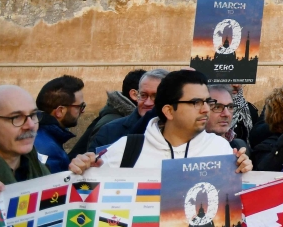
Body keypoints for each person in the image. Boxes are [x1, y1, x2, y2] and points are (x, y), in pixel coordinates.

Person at [69, 69, 252, 173]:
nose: (205, 109)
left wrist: (244, 172)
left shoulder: (221, 150)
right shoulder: (126, 149)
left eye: (207, 101)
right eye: (196, 102)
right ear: (169, 111)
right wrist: (82, 169)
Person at [70, 69, 144, 157]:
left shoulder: (120, 116)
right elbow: (96, 160)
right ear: (134, 94)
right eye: (145, 95)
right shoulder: (110, 123)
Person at [91, 69, 167, 151]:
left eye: (155, 96)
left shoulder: (180, 132)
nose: (148, 103)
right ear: (136, 95)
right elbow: (93, 162)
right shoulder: (109, 131)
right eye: (143, 95)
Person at [0, 85, 50, 192]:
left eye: (33, 115)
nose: (31, 125)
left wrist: (81, 177)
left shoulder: (38, 167)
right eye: (16, 117)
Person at [33, 75, 86, 173]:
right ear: (60, 111)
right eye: (80, 106)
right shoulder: (51, 151)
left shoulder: (37, 133)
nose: (82, 111)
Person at [206, 85, 252, 157]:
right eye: (217, 107)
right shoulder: (186, 149)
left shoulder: (239, 147)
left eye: (230, 107)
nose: (227, 114)